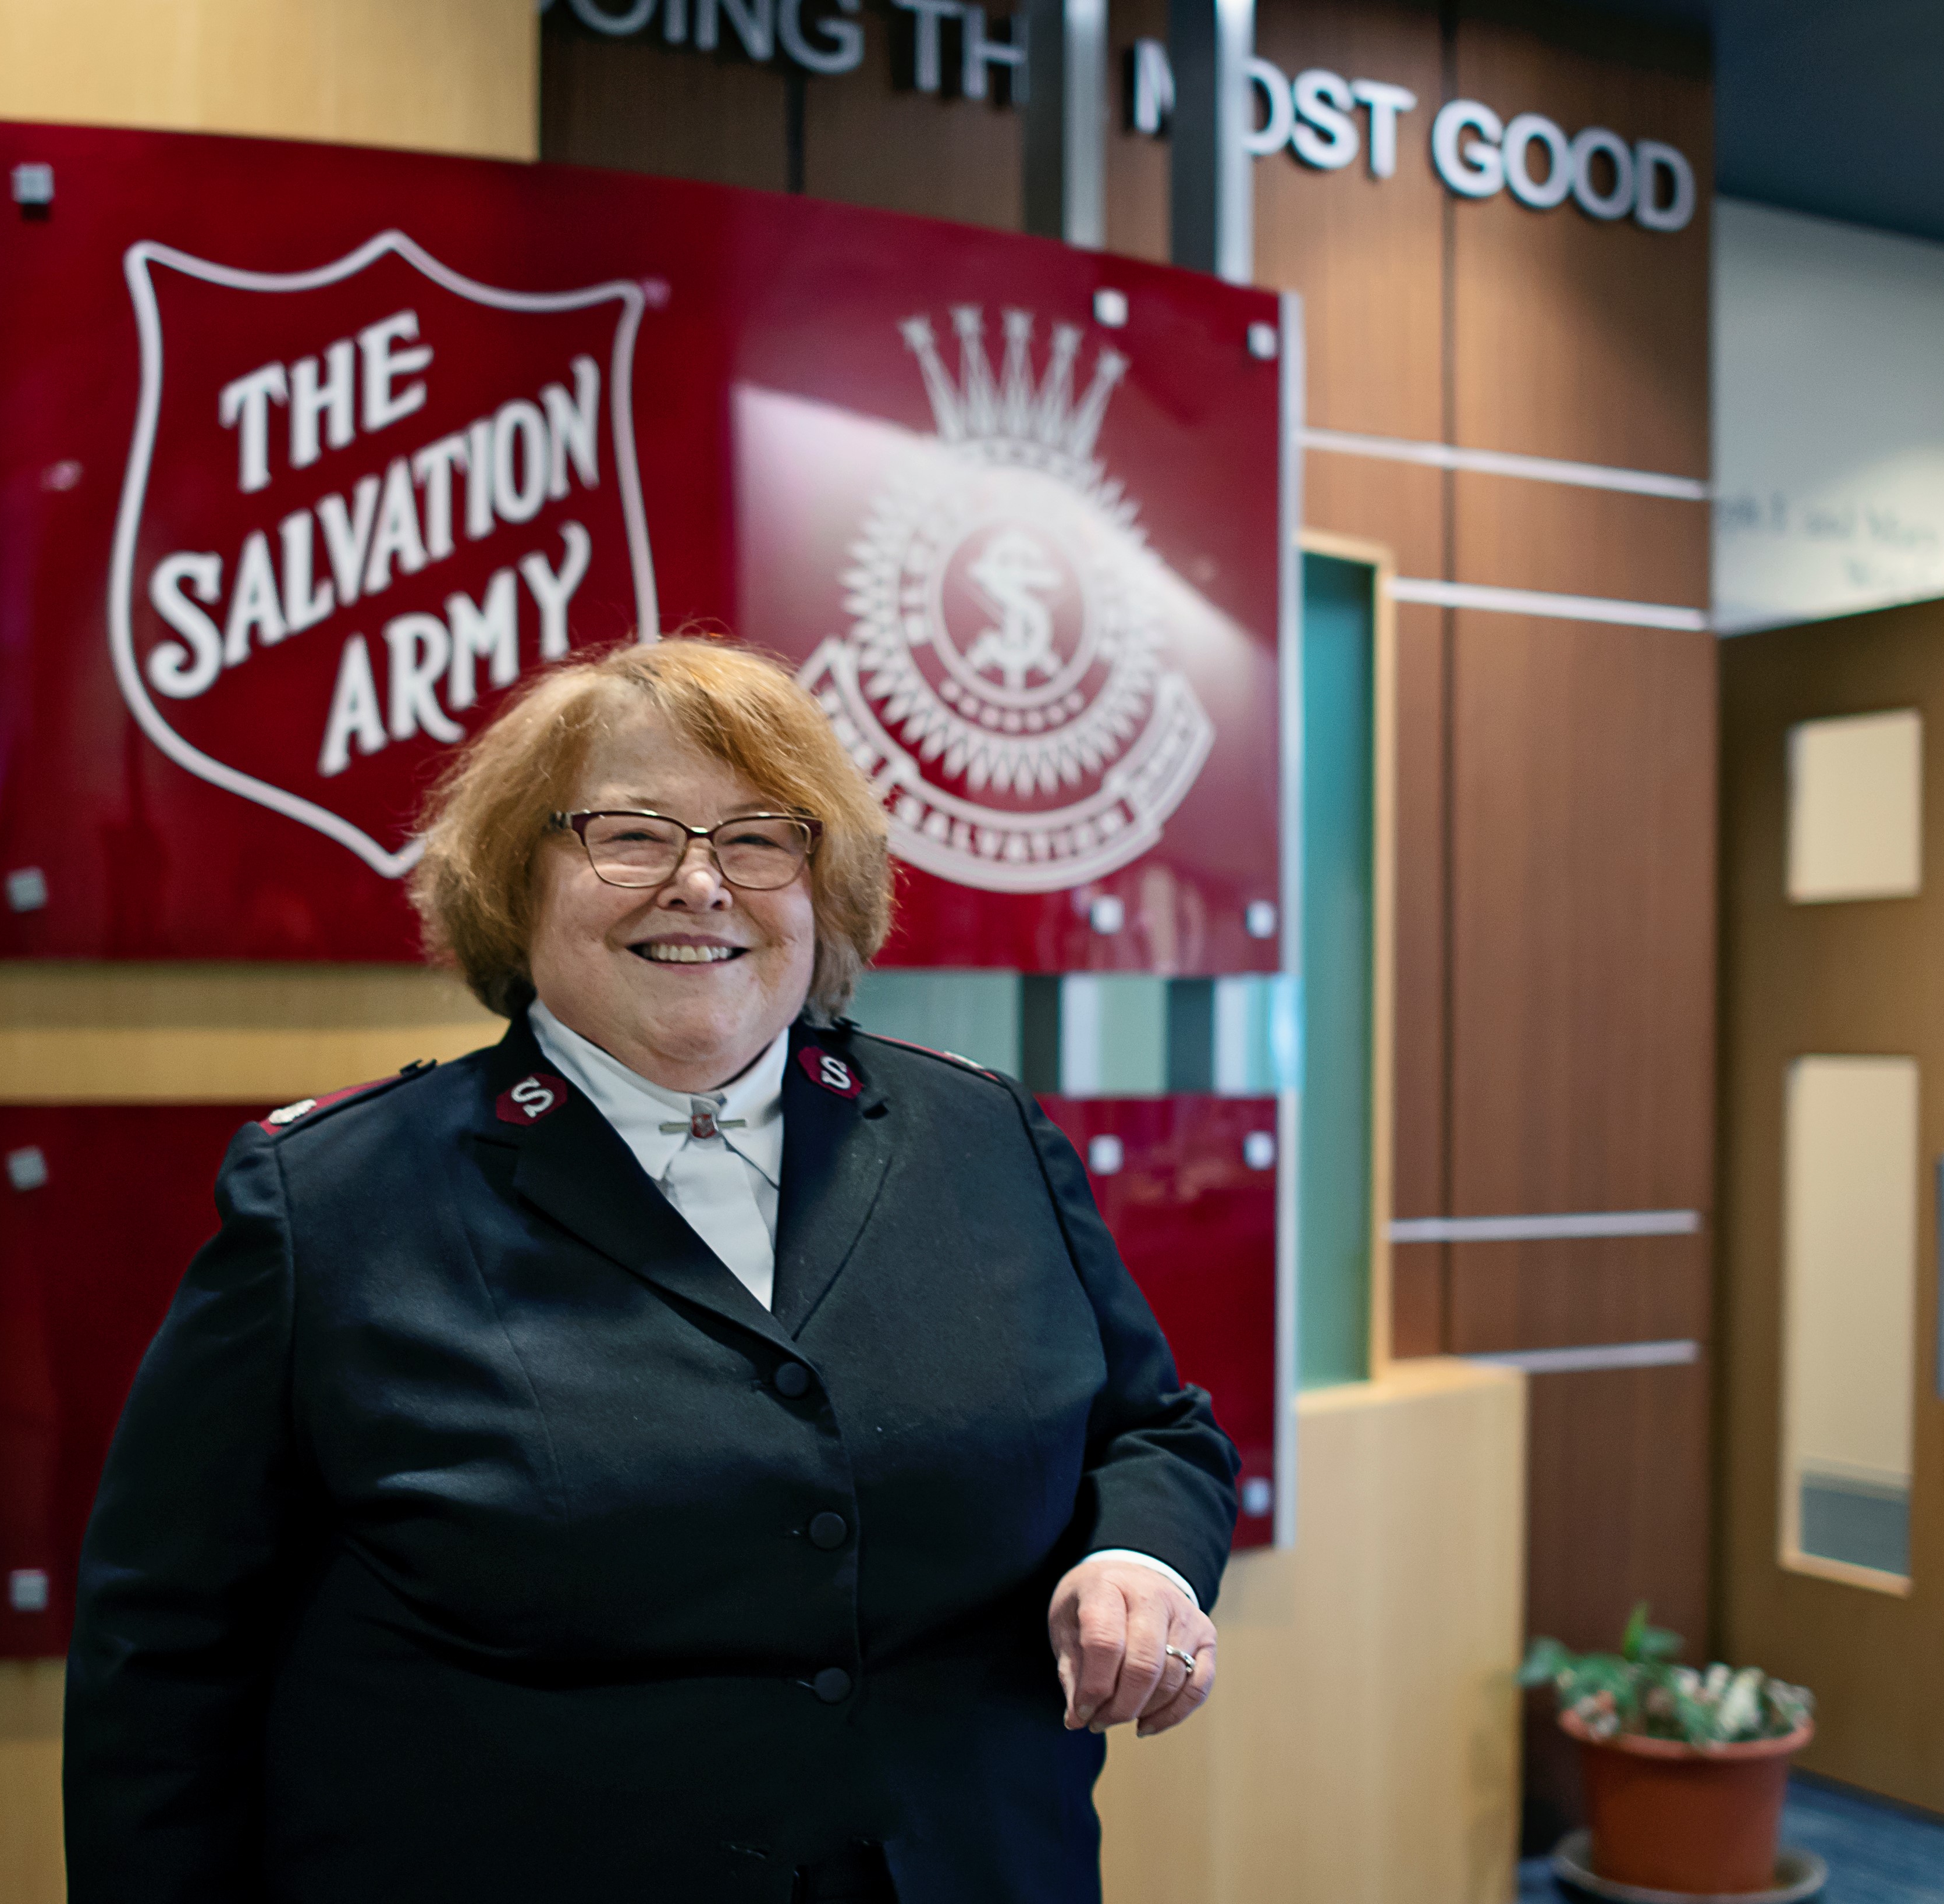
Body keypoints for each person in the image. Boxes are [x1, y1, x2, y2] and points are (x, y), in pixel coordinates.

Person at [63, 637, 1241, 1903]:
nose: (700, 884)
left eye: (760, 839)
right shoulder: (328, 1202)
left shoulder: (984, 1135)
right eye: (628, 836)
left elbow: (1153, 1428)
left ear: (824, 886)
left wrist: (1145, 1558)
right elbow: (166, 1650)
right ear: (515, 882)